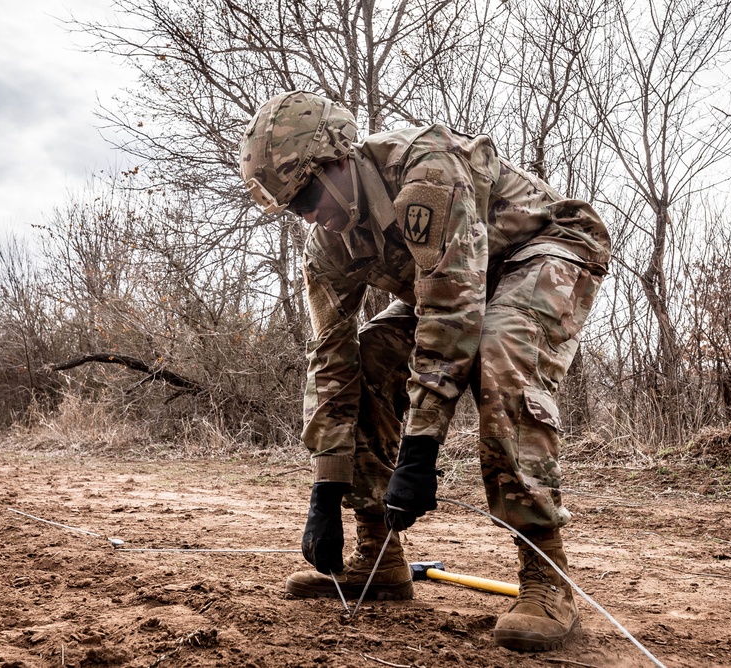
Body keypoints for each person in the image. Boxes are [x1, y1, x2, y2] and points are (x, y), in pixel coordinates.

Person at [238, 91, 610, 652]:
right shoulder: (328, 246)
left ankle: (545, 578)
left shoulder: (424, 171)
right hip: (445, 282)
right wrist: (326, 485)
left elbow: (453, 313)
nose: (309, 213)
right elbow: (330, 357)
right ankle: (378, 554)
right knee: (366, 355)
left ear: (339, 160)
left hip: (542, 247)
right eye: (294, 207)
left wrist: (420, 450)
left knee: (499, 346)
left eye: (309, 195)